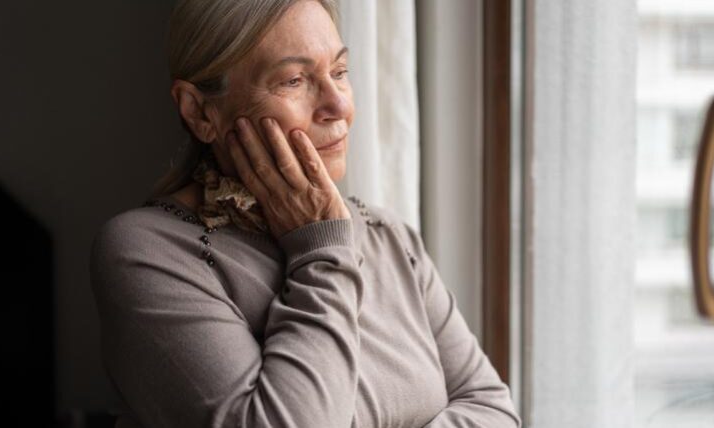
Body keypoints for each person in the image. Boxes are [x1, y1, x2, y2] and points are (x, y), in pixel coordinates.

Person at [88, 0, 521, 427]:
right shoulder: (147, 252)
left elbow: (494, 410)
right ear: (200, 112)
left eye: (340, 72)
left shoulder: (389, 236)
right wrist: (322, 247)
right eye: (294, 80)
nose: (339, 107)